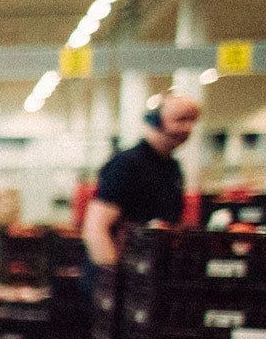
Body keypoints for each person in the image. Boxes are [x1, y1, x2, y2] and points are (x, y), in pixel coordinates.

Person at [82, 93, 198, 276]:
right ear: (155, 121)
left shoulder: (172, 168)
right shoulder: (127, 164)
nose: (188, 128)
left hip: (148, 275)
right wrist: (115, 282)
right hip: (121, 282)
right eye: (180, 120)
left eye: (192, 121)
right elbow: (96, 228)